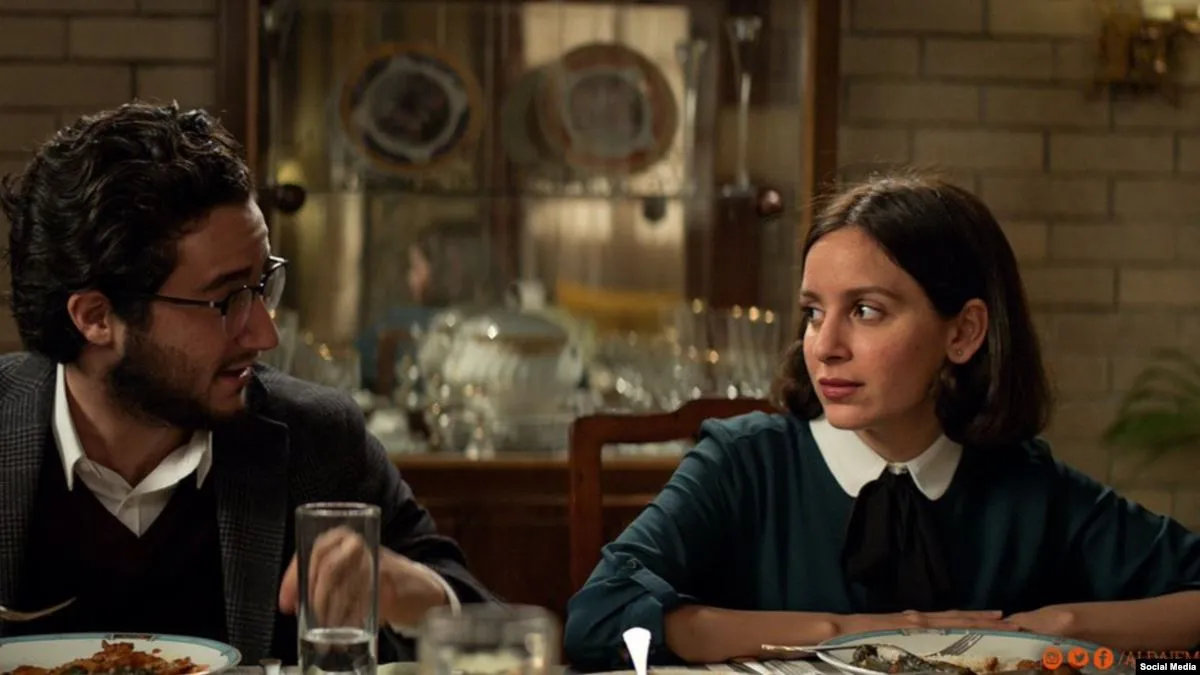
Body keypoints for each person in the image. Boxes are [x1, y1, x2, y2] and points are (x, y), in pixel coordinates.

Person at [563, 172, 1200, 670]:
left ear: (964, 332)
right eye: (814, 312)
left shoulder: (1024, 484)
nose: (824, 346)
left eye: (866, 311)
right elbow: (599, 615)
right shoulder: (744, 464)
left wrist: (1049, 630)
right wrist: (841, 632)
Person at [0, 102, 494, 663]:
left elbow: (490, 628)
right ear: (95, 317)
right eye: (228, 299)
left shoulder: (315, 439)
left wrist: (415, 595)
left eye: (263, 286)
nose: (265, 333)